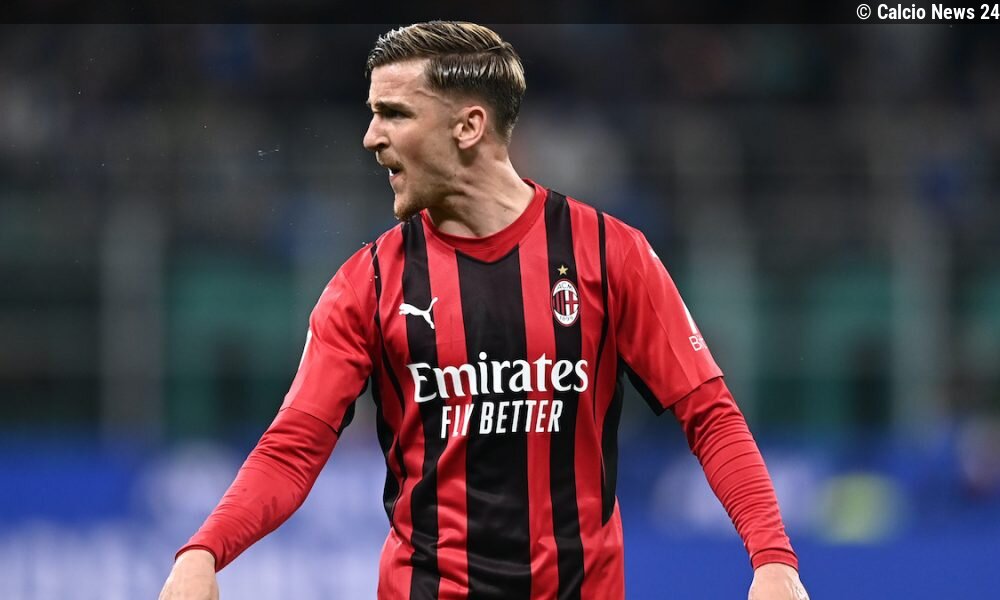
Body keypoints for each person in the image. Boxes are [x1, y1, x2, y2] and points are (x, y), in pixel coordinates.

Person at [159, 21, 809, 600]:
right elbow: (294, 446)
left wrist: (773, 561)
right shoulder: (368, 284)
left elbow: (710, 416)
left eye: (393, 114)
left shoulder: (610, 254)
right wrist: (204, 551)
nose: (370, 138)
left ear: (468, 127)